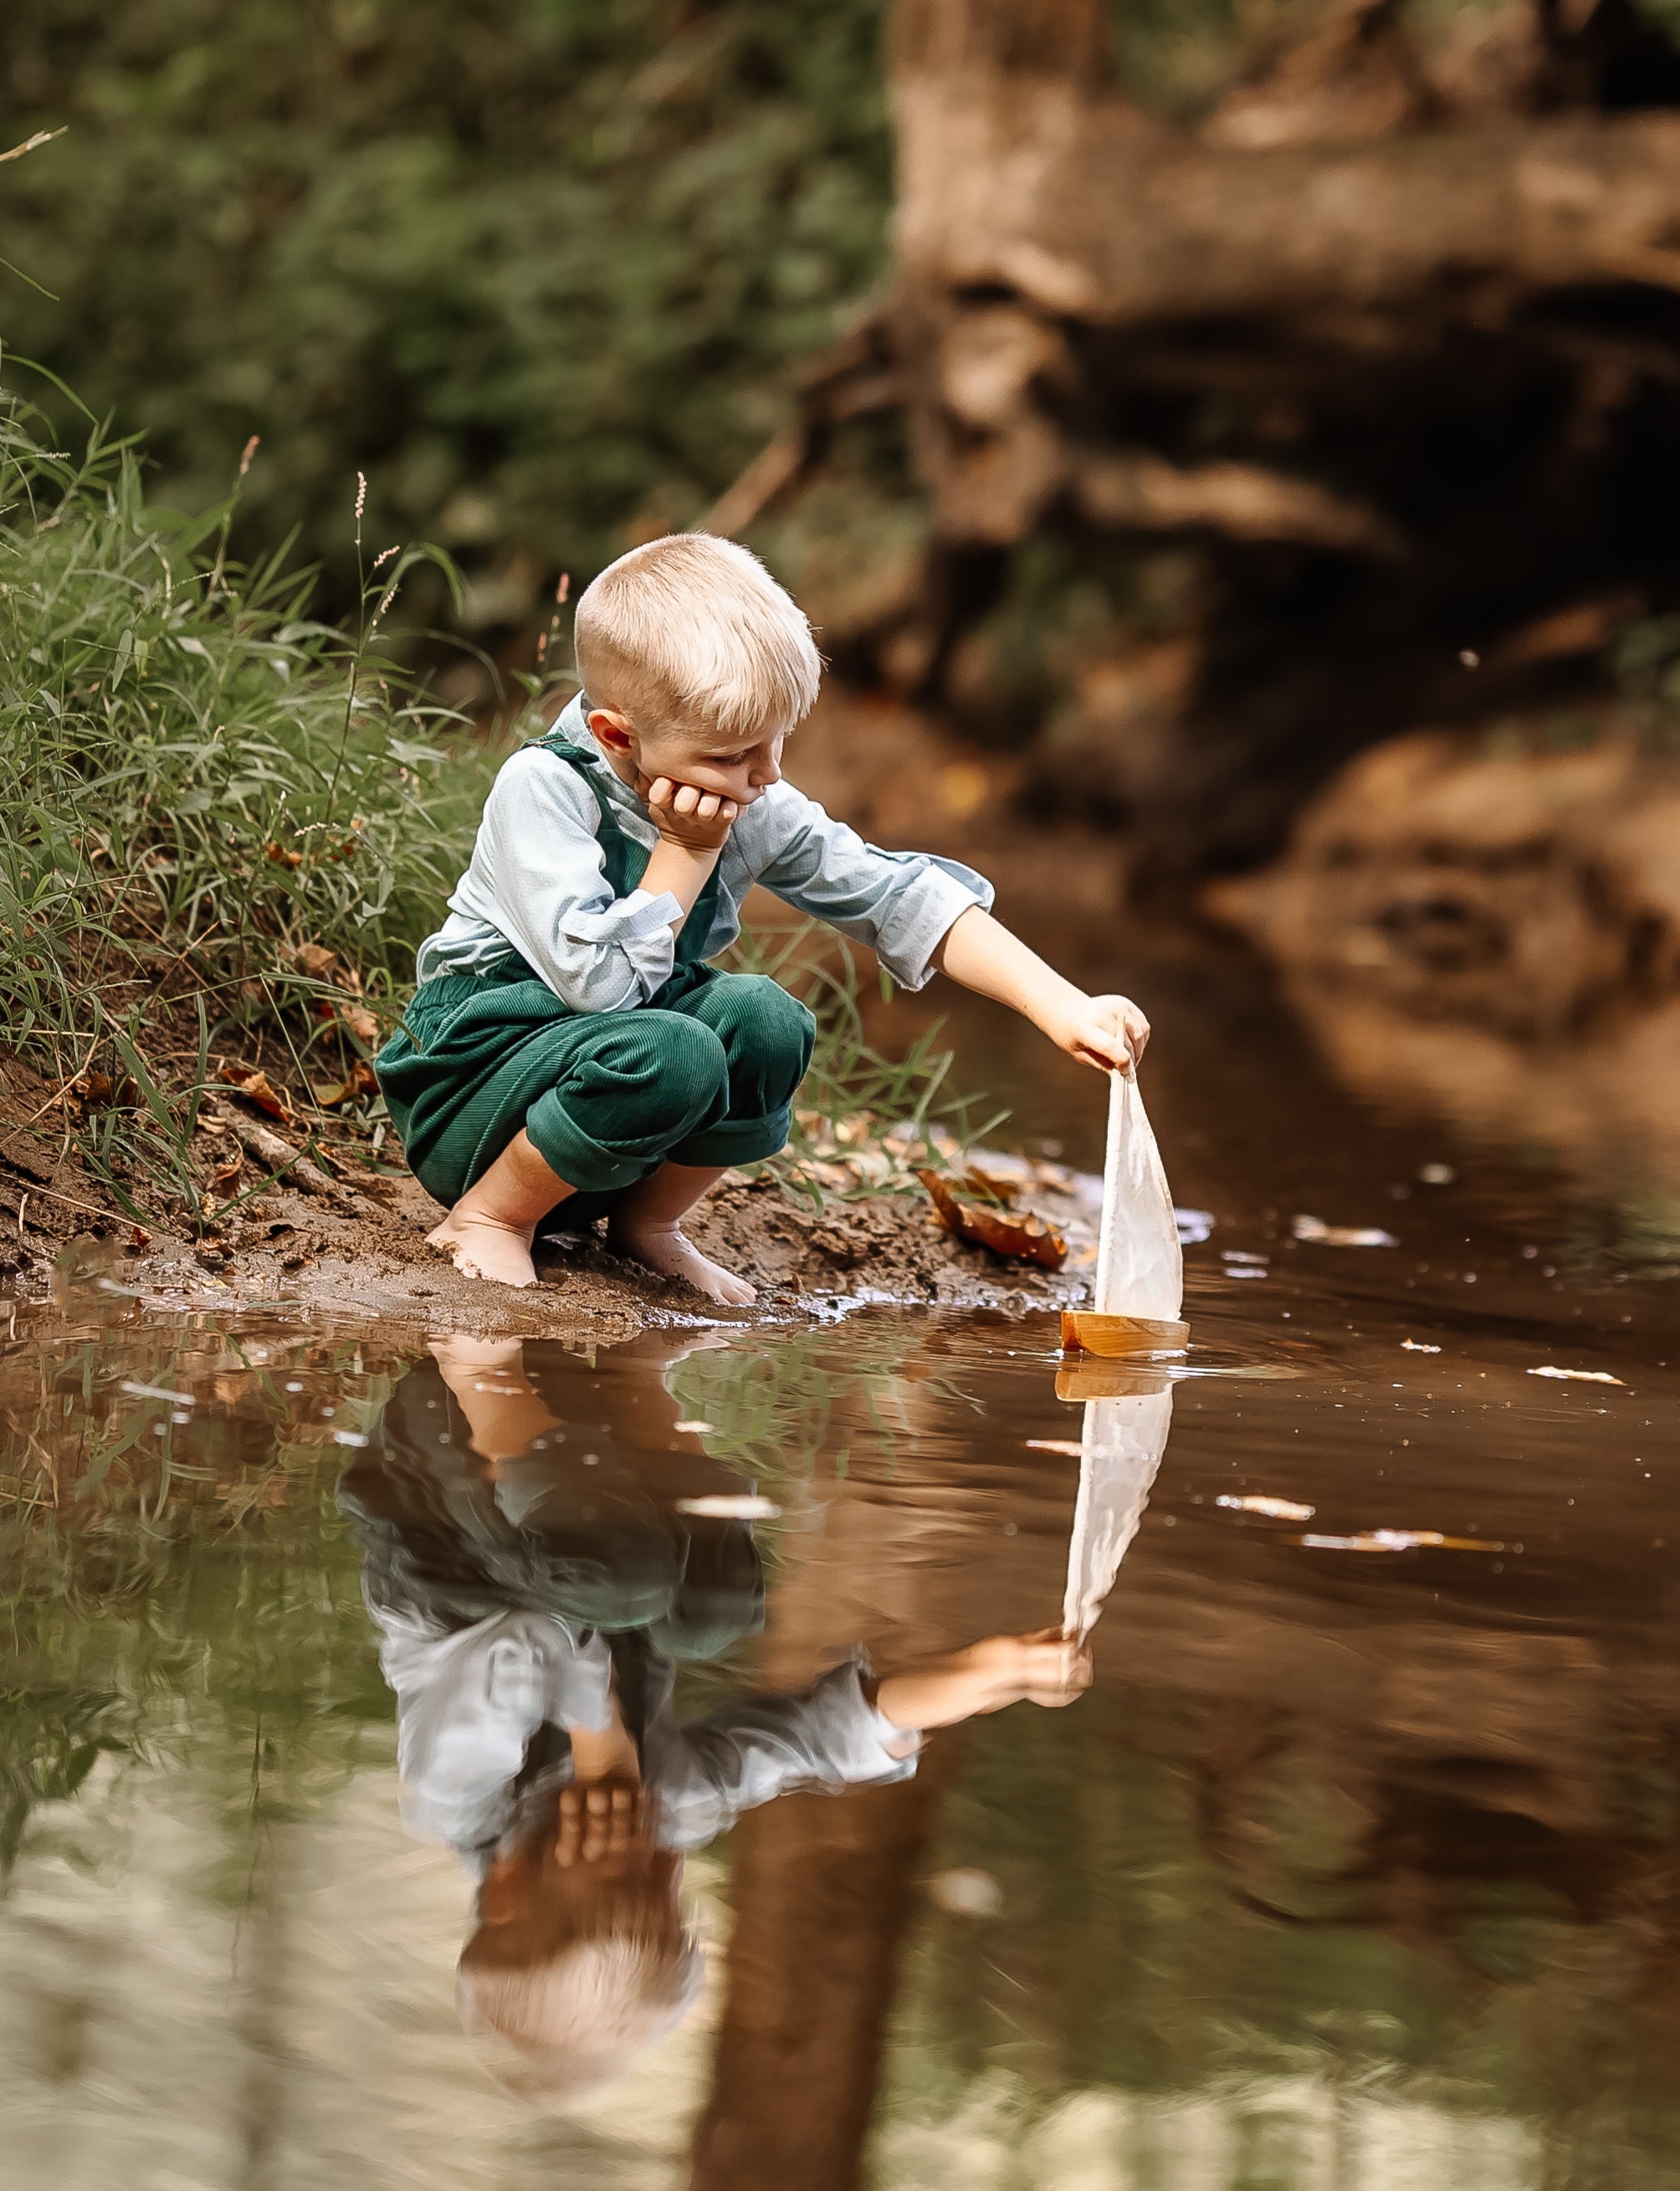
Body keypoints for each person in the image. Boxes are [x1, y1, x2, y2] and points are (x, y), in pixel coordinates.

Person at [377, 532, 1150, 1298]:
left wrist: (1061, 1003)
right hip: (472, 1090)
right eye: (731, 753)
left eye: (777, 740)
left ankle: (649, 1226)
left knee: (767, 1018)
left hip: (609, 1098)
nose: (766, 774)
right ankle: (490, 1220)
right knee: (675, 1047)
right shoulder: (545, 788)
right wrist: (683, 850)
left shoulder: (743, 794)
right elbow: (596, 987)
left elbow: (896, 894)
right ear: (618, 733)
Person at [346, 1333, 1088, 2096]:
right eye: (667, 1894)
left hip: (438, 1488)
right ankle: (638, 1381)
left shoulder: (457, 1797)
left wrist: (604, 1745)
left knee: (617, 1591)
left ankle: (482, 1364)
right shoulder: (662, 1820)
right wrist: (991, 1673)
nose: (660, 1857)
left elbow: (527, 1640)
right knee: (711, 1615)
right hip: (575, 1512)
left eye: (621, 1883)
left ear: (506, 1889)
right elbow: (817, 1745)